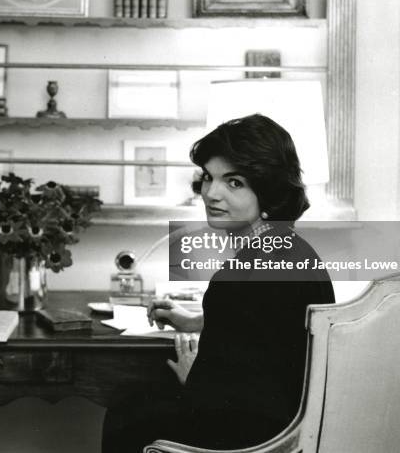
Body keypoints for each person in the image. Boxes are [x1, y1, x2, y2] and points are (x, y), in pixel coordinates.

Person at [102, 114, 335, 452]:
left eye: (234, 182)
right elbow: (268, 329)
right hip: (286, 425)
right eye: (209, 178)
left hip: (252, 436)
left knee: (127, 409)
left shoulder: (243, 271)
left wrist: (193, 373)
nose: (212, 193)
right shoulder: (295, 250)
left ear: (268, 190)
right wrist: (196, 320)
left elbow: (228, 392)